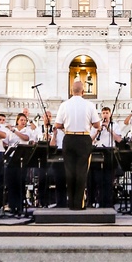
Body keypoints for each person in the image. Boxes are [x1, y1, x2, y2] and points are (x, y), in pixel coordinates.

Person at [53, 79, 100, 210]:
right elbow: (97, 124)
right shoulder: (89, 105)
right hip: (84, 138)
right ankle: (79, 203)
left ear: (71, 91)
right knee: (81, 171)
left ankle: (71, 203)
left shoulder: (64, 105)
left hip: (68, 138)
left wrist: (66, 127)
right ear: (83, 91)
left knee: (69, 171)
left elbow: (57, 124)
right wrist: (89, 124)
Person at [91, 106, 122, 208]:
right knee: (98, 180)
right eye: (103, 113)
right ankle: (100, 202)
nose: (105, 115)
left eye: (107, 113)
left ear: (110, 114)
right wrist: (97, 131)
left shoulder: (115, 125)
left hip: (109, 152)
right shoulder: (96, 126)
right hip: (98, 153)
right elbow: (90, 140)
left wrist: (108, 129)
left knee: (109, 180)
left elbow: (118, 140)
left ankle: (109, 203)